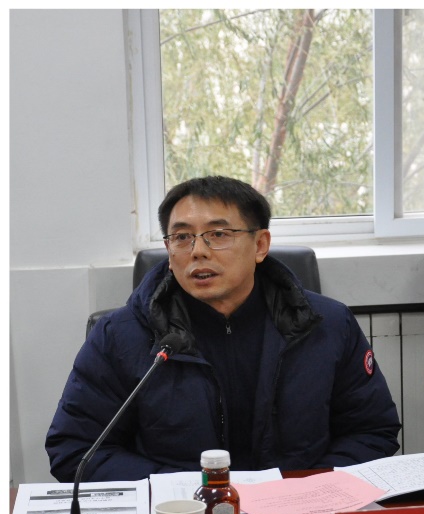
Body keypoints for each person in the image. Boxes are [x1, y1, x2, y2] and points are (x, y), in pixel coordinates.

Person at [46, 176, 401, 482]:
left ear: (260, 245)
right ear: (168, 250)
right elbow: (76, 449)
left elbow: (371, 431)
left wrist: (307, 488)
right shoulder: (119, 336)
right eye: (181, 237)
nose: (198, 251)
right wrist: (185, 490)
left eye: (218, 234)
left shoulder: (328, 325)